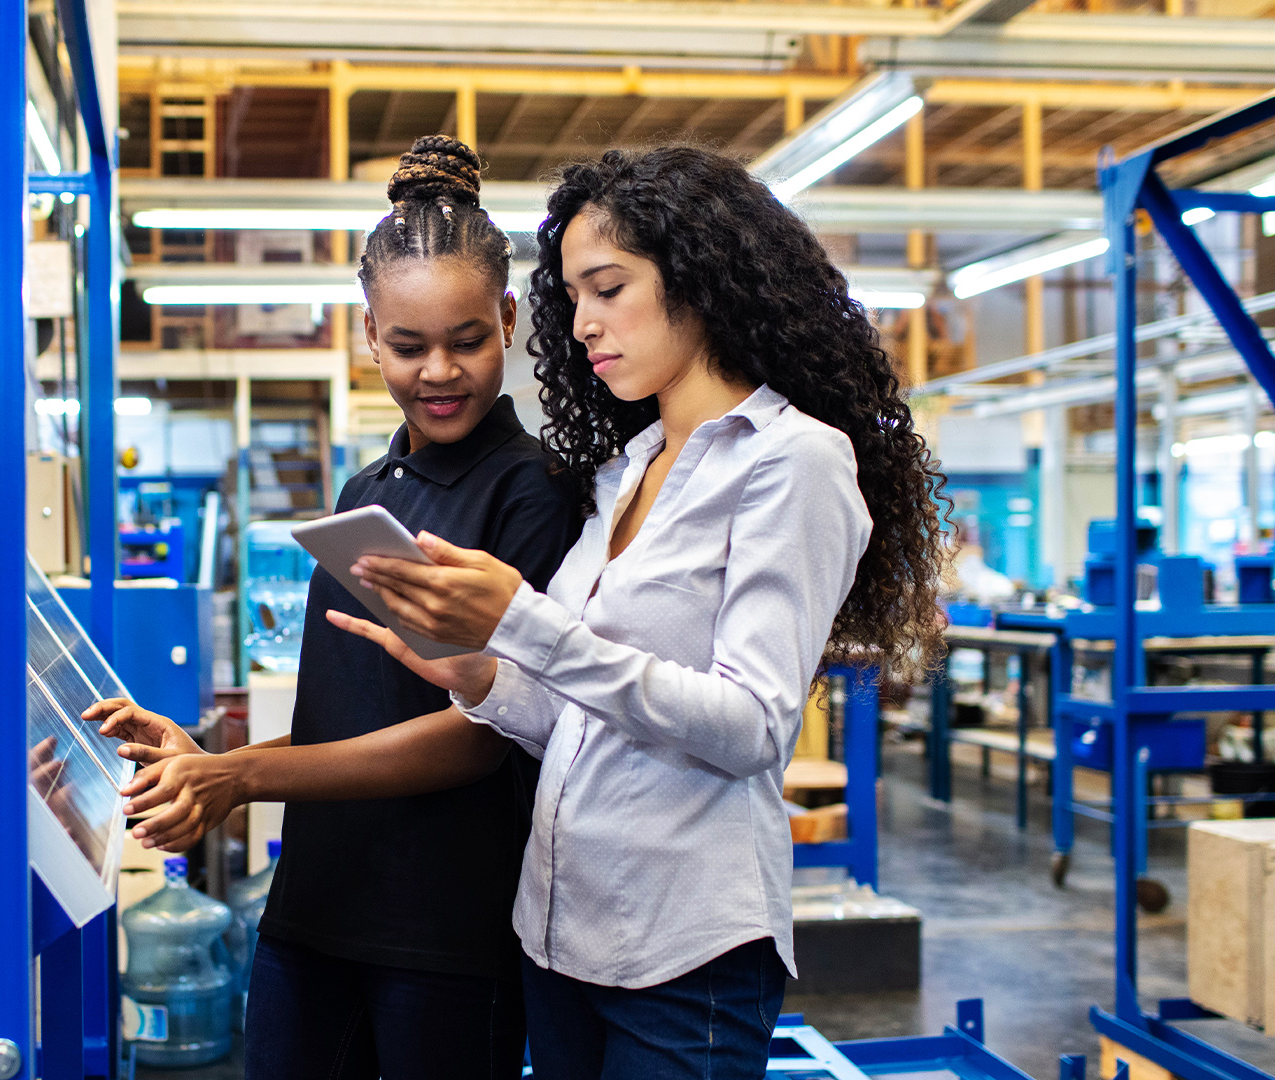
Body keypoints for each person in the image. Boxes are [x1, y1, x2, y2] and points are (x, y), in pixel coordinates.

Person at [330, 146, 952, 1080]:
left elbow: (750, 727)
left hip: (683, 952)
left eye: (607, 288)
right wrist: (478, 670)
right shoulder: (630, 471)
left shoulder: (792, 462)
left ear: (697, 276)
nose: (581, 323)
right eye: (572, 297)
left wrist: (525, 622)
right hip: (558, 935)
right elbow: (576, 716)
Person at [83, 136, 582, 1080]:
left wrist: (242, 778)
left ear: (510, 320)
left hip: (443, 933)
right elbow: (347, 707)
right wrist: (213, 759)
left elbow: (482, 731)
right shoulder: (368, 489)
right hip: (312, 910)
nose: (439, 370)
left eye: (467, 340)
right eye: (407, 345)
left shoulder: (533, 492)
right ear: (367, 336)